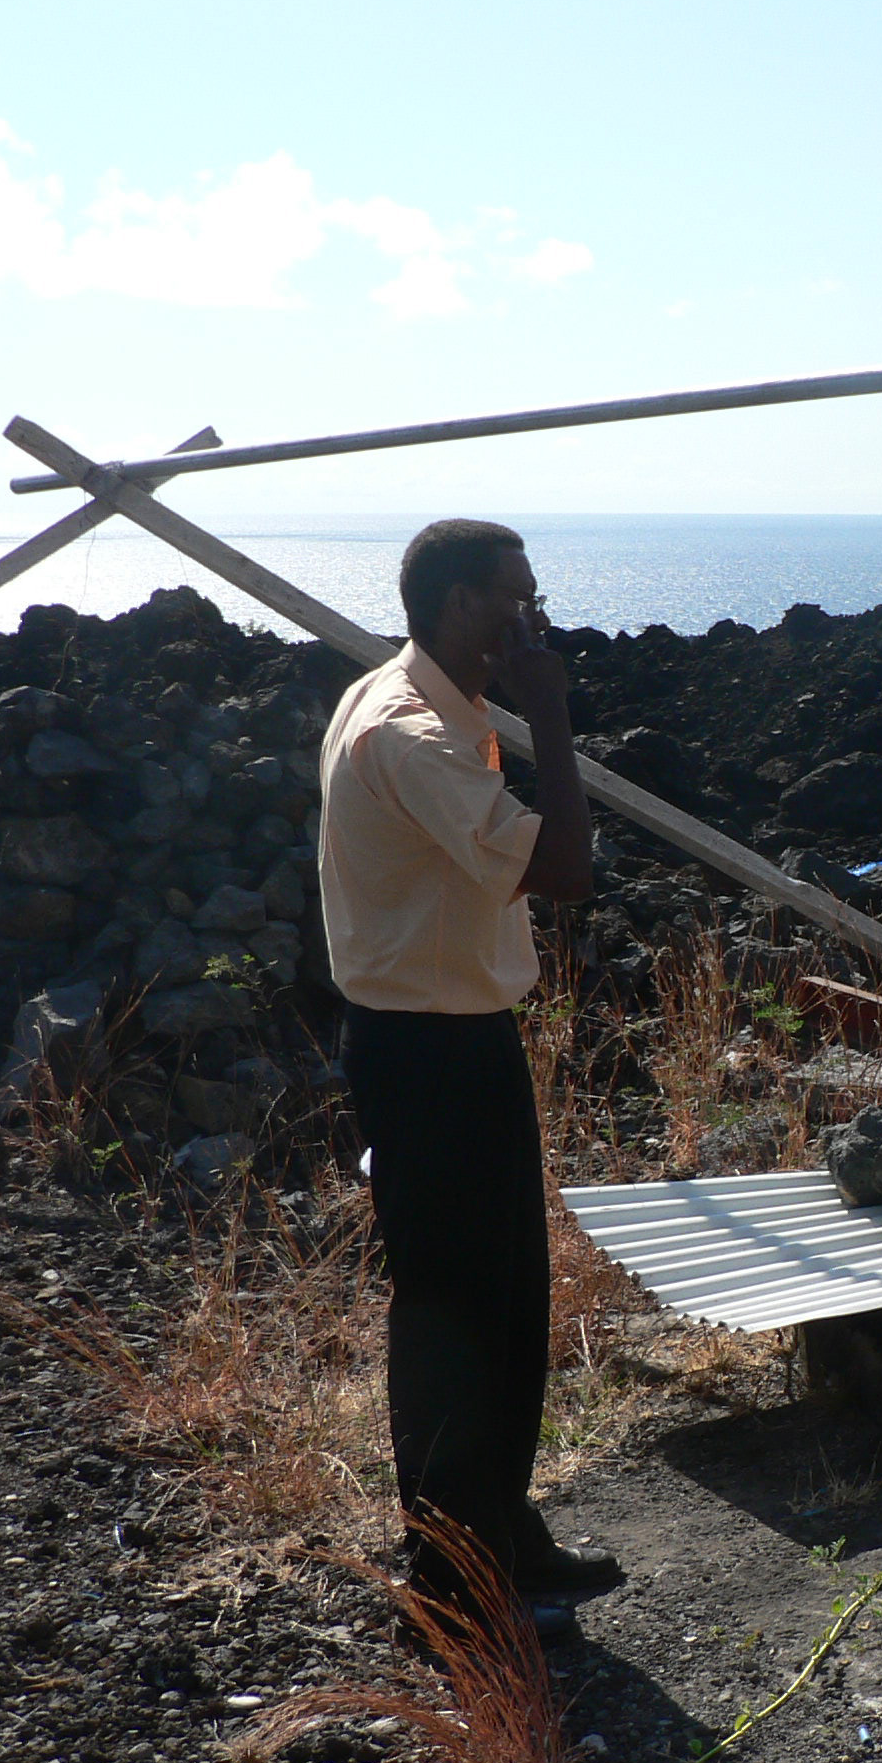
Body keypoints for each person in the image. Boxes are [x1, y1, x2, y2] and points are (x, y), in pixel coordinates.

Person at [318, 518, 618, 1645]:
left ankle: (501, 1533)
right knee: (451, 1312)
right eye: (510, 598)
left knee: (503, 1303)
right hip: (426, 1050)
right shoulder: (413, 734)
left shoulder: (410, 696)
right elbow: (568, 870)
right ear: (451, 602)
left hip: (452, 1036)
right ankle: (446, 1581)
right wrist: (551, 716)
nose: (530, 618)